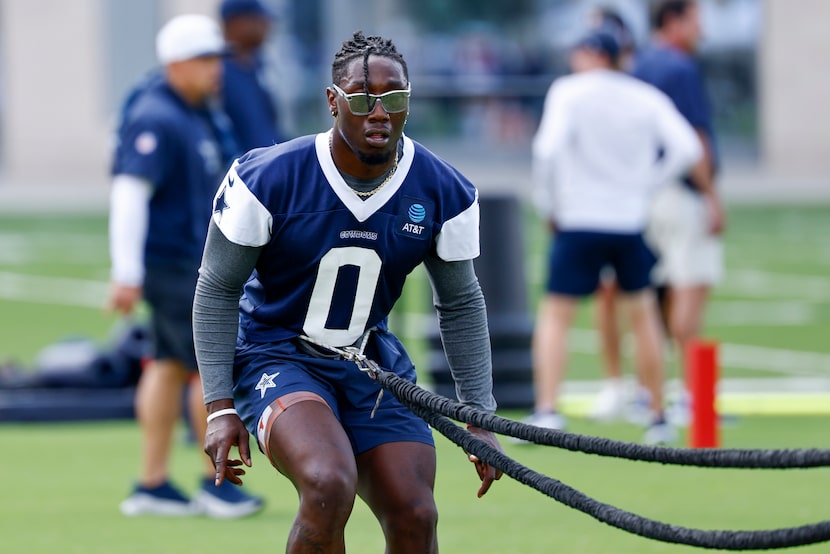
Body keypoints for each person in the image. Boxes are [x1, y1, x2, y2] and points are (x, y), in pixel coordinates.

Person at [192, 31, 503, 552]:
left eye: (394, 98)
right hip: (276, 351)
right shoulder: (269, 177)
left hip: (368, 360)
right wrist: (220, 407)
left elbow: (461, 303)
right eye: (361, 99)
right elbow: (217, 289)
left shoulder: (442, 189)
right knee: (327, 483)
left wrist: (479, 414)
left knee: (415, 511)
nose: (378, 112)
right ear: (334, 102)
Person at [108, 14, 263, 518]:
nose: (214, 68)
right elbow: (129, 193)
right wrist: (127, 270)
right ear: (174, 63)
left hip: (184, 262)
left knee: (170, 367)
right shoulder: (157, 117)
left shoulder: (194, 112)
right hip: (175, 264)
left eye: (216, 57)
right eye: (203, 58)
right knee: (205, 369)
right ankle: (213, 482)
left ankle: (152, 484)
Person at [525, 29, 702, 444]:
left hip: (580, 218)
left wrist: (548, 206)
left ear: (591, 53)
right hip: (627, 221)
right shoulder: (644, 96)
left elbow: (546, 150)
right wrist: (646, 186)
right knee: (642, 316)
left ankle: (548, 409)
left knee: (556, 315)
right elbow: (687, 149)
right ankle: (657, 416)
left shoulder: (569, 91)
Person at [632, 0, 726, 425]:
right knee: (691, 286)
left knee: (653, 294)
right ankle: (695, 397)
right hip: (682, 189)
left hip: (645, 193)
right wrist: (710, 196)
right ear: (674, 19)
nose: (701, 28)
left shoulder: (638, 66)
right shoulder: (680, 68)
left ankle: (648, 391)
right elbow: (696, 138)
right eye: (696, 17)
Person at [219, 0, 286, 152]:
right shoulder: (218, 72)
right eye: (259, 19)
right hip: (242, 171)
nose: (267, 25)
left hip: (269, 165)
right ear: (237, 22)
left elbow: (269, 128)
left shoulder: (257, 64)